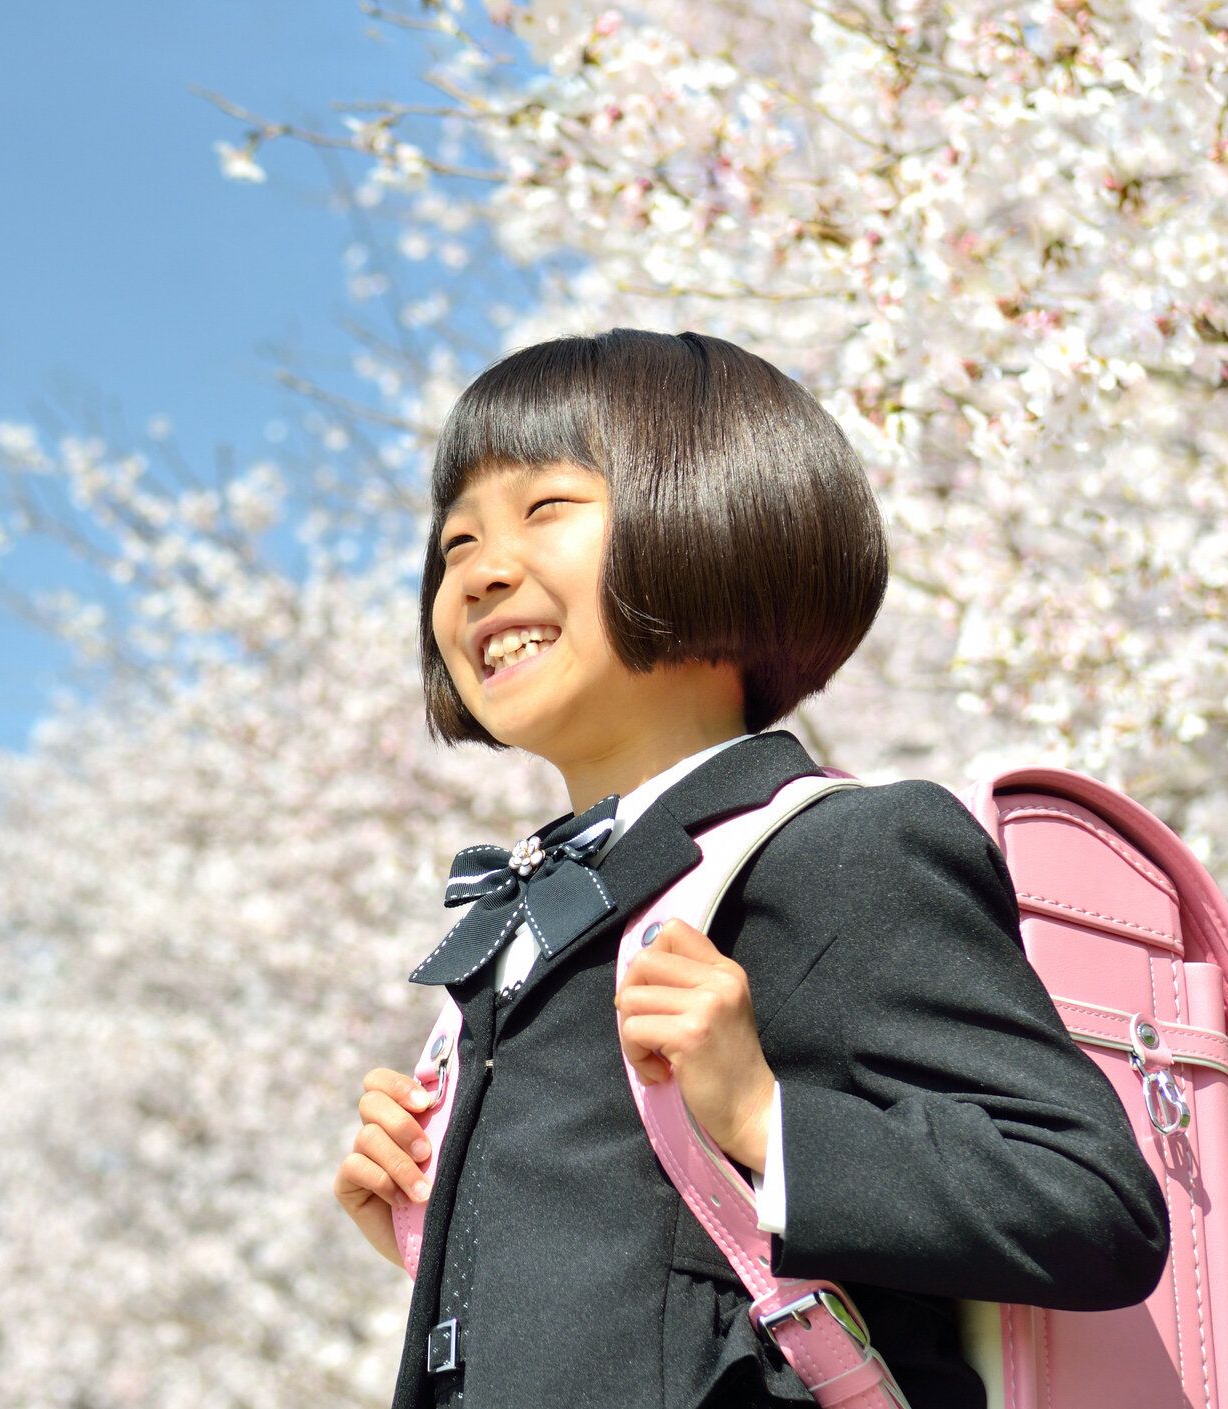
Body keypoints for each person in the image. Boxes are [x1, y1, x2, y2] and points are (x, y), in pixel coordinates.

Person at [330, 329, 1169, 1408]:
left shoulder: (842, 849)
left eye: (545, 510)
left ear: (720, 513)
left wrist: (766, 1116)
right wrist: (433, 1226)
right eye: (454, 545)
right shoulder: (536, 912)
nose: (483, 572)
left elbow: (1091, 1201)